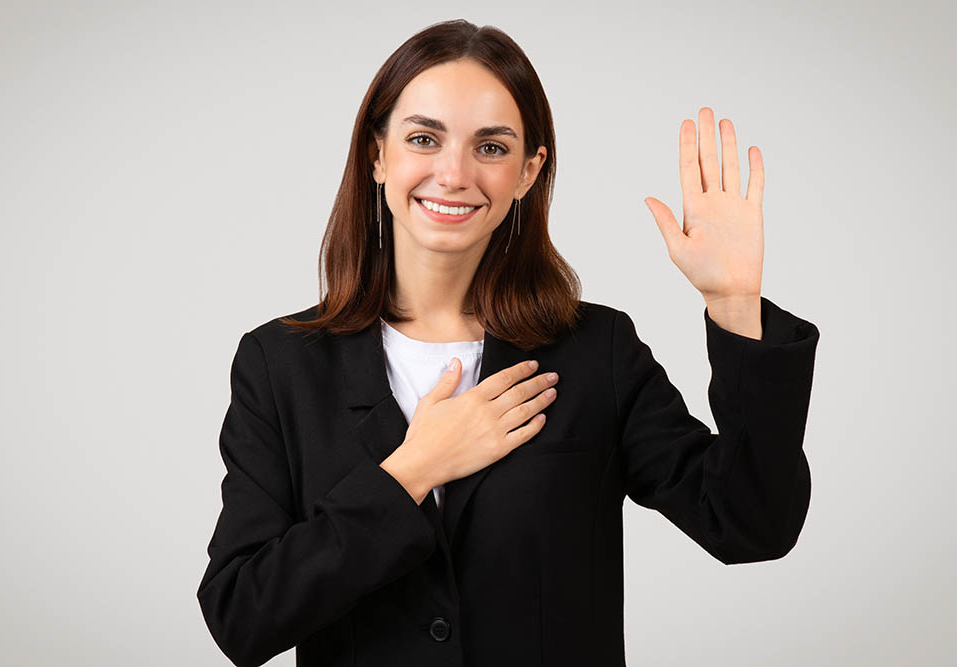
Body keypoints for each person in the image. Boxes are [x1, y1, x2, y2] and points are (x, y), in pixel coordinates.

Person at [196, 18, 820, 667]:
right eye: (423, 138)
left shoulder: (595, 350)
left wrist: (734, 303)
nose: (455, 172)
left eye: (491, 147)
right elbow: (242, 614)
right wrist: (413, 470)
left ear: (528, 170)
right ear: (378, 154)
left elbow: (750, 522)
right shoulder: (281, 365)